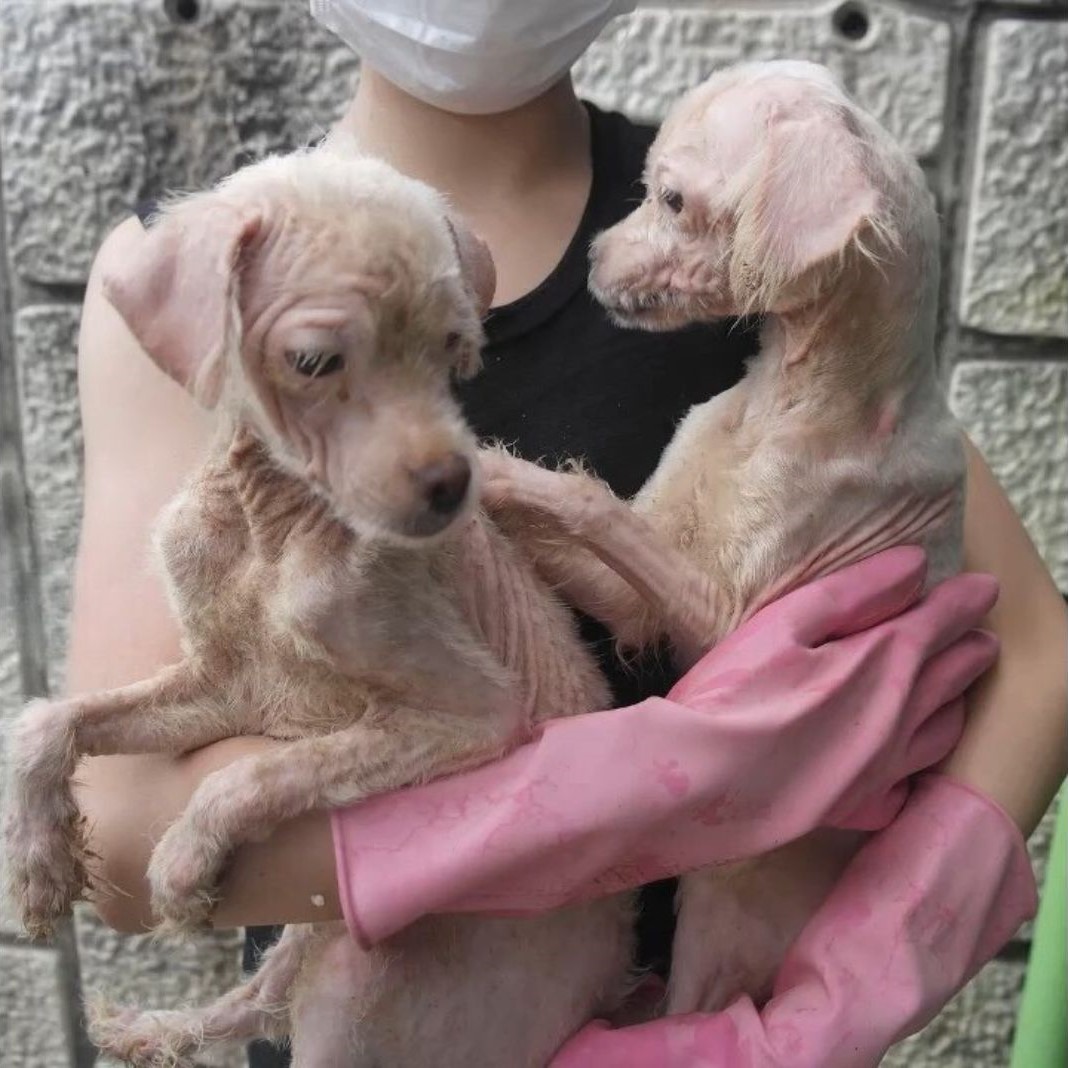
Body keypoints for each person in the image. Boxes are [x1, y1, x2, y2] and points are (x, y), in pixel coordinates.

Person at [69, 2, 1066, 1065]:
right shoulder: (214, 265)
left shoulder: (729, 205)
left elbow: (1038, 656)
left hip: (710, 1011)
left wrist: (823, 1016)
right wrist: (653, 788)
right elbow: (121, 836)